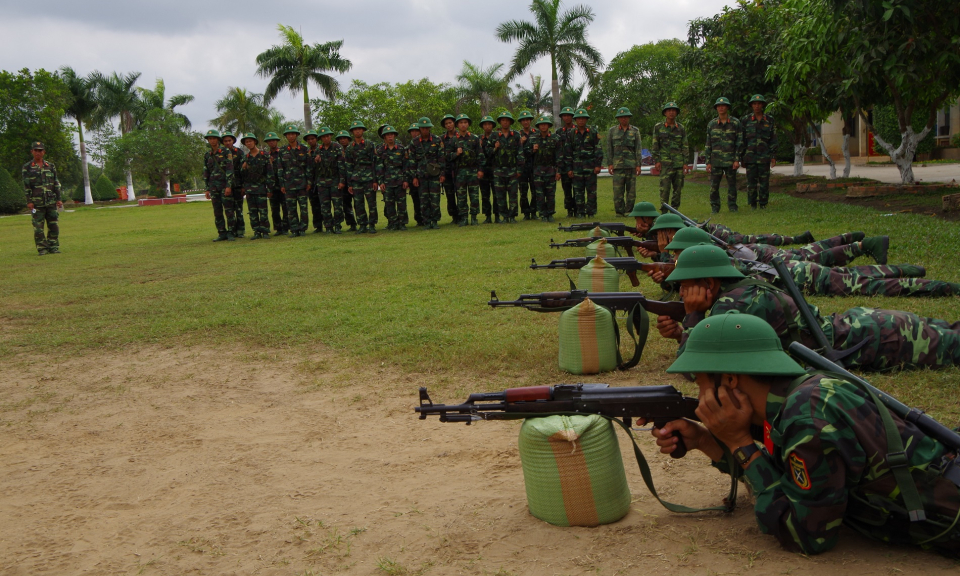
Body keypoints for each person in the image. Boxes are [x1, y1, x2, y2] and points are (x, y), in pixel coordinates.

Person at [651, 312, 960, 557]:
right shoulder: (798, 396)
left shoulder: (806, 418)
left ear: (730, 380)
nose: (701, 395)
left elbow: (807, 535)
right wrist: (706, 440)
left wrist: (739, 443)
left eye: (701, 384)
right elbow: (785, 481)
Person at [656, 244, 960, 371]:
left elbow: (693, 368)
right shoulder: (743, 289)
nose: (681, 293)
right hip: (867, 326)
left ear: (709, 284)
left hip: (881, 341)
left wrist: (693, 315)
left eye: (686, 286)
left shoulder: (733, 307)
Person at [665, 227, 960, 298]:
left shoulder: (721, 265)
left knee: (866, 285)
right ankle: (907, 270)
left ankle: (940, 286)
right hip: (793, 274)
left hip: (798, 276)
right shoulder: (719, 261)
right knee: (851, 275)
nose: (674, 257)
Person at [22, 141, 63, 255]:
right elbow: (26, 186)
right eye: (36, 150)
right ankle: (42, 248)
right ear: (32, 152)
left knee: (53, 225)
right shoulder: (27, 167)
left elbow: (56, 183)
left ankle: (53, 246)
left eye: (40, 150)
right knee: (38, 228)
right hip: (36, 203)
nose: (38, 152)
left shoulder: (50, 166)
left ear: (44, 152)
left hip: (51, 201)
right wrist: (29, 201)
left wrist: (59, 199)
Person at [705, 97, 743, 214]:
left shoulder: (735, 123)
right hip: (716, 161)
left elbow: (739, 142)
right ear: (716, 108)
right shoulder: (711, 124)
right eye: (719, 106)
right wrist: (708, 162)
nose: (721, 108)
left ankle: (732, 206)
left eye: (723, 106)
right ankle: (715, 207)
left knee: (732, 185)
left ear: (727, 107)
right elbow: (708, 144)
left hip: (730, 161)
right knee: (714, 186)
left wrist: (737, 160)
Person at [740, 94, 778, 209]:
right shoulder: (745, 120)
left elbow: (773, 139)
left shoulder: (769, 120)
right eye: (754, 104)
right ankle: (752, 204)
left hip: (764, 156)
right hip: (750, 156)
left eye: (759, 104)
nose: (757, 106)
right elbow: (742, 140)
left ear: (762, 105)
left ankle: (763, 203)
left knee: (764, 182)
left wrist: (773, 156)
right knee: (751, 182)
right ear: (751, 105)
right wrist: (742, 157)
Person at [651, 102, 690, 212]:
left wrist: (685, 162)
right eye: (669, 110)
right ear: (665, 113)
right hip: (665, 163)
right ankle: (664, 210)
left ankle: (675, 210)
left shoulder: (681, 128)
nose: (671, 112)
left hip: (678, 163)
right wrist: (657, 160)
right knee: (665, 188)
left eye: (673, 110)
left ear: (677, 113)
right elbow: (655, 145)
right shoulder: (658, 127)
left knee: (678, 189)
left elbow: (685, 145)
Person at [565, 108, 603, 217]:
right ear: (575, 120)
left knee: (591, 191)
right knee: (578, 191)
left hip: (590, 167)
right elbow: (568, 152)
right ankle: (580, 212)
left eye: (583, 118)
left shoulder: (593, 131)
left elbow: (598, 149)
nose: (581, 120)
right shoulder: (571, 133)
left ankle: (591, 212)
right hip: (576, 168)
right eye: (578, 119)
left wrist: (597, 165)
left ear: (586, 119)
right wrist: (569, 168)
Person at [448, 114, 485, 226]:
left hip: (473, 170)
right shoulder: (453, 140)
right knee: (461, 196)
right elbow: (448, 156)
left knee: (474, 195)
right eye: (461, 122)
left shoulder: (474, 138)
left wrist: (480, 170)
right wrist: (456, 154)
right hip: (460, 172)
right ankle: (463, 217)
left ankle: (474, 217)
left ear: (468, 124)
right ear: (457, 125)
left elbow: (480, 155)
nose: (463, 124)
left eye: (465, 122)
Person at [344, 120, 380, 234]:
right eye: (355, 130)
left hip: (369, 178)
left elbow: (375, 163)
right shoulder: (350, 147)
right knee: (358, 204)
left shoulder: (370, 144)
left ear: (363, 131)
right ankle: (363, 225)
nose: (357, 131)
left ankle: (372, 224)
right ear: (352, 132)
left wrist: (375, 180)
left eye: (359, 129)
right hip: (356, 180)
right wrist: (349, 184)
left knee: (372, 203)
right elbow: (349, 166)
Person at [604, 107, 642, 215]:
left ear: (629, 118)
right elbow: (609, 148)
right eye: (621, 117)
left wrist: (638, 165)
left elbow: (638, 149)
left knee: (631, 192)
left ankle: (629, 211)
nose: (623, 119)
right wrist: (610, 164)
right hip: (618, 165)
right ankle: (619, 212)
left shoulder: (635, 131)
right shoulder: (612, 131)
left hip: (631, 165)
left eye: (625, 117)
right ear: (618, 119)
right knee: (618, 191)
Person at [409, 117, 445, 229]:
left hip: (434, 174)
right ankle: (426, 221)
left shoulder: (437, 140)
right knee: (423, 200)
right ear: (419, 128)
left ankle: (435, 221)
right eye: (423, 128)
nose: (425, 130)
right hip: (421, 176)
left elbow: (442, 158)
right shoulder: (414, 142)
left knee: (435, 199)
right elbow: (412, 161)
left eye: (427, 128)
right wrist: (414, 177)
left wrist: (442, 174)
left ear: (429, 128)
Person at [201, 129, 236, 242]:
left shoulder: (226, 152)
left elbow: (230, 169)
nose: (212, 140)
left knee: (229, 210)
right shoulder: (207, 155)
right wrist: (207, 189)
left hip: (224, 185)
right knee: (217, 211)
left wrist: (228, 186)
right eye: (210, 139)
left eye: (214, 138)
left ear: (218, 139)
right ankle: (221, 233)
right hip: (213, 186)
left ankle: (231, 232)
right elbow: (206, 172)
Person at [238, 133, 274, 240]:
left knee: (263, 211)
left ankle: (265, 231)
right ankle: (257, 231)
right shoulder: (245, 157)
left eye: (250, 141)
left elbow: (270, 173)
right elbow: (241, 175)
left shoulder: (264, 155)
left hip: (261, 188)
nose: (248, 143)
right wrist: (243, 168)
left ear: (255, 142)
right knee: (252, 212)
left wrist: (270, 188)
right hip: (249, 189)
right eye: (246, 142)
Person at [277, 125, 311, 237]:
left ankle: (303, 229)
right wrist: (282, 184)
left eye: (293, 134)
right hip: (288, 184)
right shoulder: (282, 151)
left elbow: (308, 167)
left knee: (303, 208)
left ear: (296, 135)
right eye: (288, 134)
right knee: (291, 209)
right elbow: (280, 168)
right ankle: (294, 229)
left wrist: (309, 182)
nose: (291, 136)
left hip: (302, 183)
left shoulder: (304, 149)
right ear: (286, 136)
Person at [491, 111, 525, 223]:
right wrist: (495, 148)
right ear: (500, 122)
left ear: (510, 122)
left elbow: (520, 152)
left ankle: (512, 216)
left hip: (512, 170)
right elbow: (487, 153)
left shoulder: (515, 135)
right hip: (498, 170)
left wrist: (519, 169)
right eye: (503, 120)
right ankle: (504, 216)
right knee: (500, 195)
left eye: (507, 120)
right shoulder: (494, 135)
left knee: (513, 194)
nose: (505, 122)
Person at [529, 114, 563, 222]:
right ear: (538, 126)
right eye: (541, 125)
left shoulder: (555, 138)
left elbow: (559, 155)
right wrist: (532, 150)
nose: (543, 126)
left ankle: (550, 213)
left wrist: (559, 171)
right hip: (538, 170)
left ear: (548, 126)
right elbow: (525, 154)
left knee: (550, 194)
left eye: (545, 124)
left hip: (551, 170)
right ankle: (543, 214)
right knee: (539, 194)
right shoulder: (533, 138)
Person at [376, 125, 409, 231]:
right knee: (389, 204)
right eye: (387, 135)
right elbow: (379, 167)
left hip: (399, 181)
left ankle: (402, 223)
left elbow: (405, 166)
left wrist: (405, 180)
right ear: (384, 137)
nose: (390, 136)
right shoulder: (380, 150)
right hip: (387, 181)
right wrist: (381, 182)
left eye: (391, 134)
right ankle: (393, 223)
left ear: (394, 135)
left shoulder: (401, 149)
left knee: (402, 204)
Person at [313, 127, 345, 234]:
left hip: (335, 180)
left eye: (327, 136)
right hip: (322, 182)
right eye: (323, 137)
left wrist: (342, 181)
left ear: (330, 136)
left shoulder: (337, 147)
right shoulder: (318, 149)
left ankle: (337, 225)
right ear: (321, 138)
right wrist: (316, 160)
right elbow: (314, 166)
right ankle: (328, 226)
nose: (326, 138)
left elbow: (341, 166)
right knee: (324, 206)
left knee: (337, 205)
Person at [221, 131, 246, 238]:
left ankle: (240, 230)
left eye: (229, 140)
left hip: (237, 185)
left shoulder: (239, 153)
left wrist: (244, 186)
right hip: (225, 185)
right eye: (225, 141)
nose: (227, 143)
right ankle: (231, 230)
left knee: (239, 209)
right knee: (229, 210)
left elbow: (244, 171)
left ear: (233, 141)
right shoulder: (219, 153)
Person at [263, 132, 289, 236]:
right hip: (272, 186)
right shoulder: (266, 155)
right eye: (269, 141)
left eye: (273, 140)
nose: (271, 142)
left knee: (286, 207)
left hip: (283, 184)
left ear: (277, 141)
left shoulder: (283, 152)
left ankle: (286, 228)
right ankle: (278, 228)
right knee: (274, 209)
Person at [439, 114, 461, 225]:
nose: (448, 125)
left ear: (454, 123)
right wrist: (455, 154)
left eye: (450, 122)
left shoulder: (461, 136)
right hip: (447, 171)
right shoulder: (441, 139)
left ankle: (462, 216)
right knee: (450, 195)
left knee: (461, 194)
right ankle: (454, 216)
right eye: (446, 123)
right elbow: (442, 155)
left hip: (460, 170)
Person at [335, 130, 358, 232]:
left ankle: (362, 223)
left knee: (358, 203)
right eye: (340, 139)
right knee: (346, 204)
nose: (342, 140)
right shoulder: (337, 152)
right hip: (342, 182)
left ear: (348, 139)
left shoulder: (353, 149)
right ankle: (352, 224)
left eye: (344, 138)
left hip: (354, 180)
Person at [556, 106, 577, 217]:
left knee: (578, 189)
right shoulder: (559, 132)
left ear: (572, 117)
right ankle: (569, 210)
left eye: (569, 115)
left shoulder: (578, 129)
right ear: (562, 117)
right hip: (564, 165)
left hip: (577, 164)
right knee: (567, 190)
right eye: (564, 116)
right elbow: (557, 150)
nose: (567, 117)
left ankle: (578, 210)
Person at [478, 115, 499, 224]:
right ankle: (488, 216)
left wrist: (495, 149)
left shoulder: (497, 137)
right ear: (482, 126)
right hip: (484, 170)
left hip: (495, 169)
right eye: (485, 124)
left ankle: (497, 215)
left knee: (496, 194)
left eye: (489, 124)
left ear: (492, 125)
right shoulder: (479, 139)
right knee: (485, 195)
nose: (487, 126)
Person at [516, 110, 537, 220]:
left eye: (527, 120)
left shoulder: (536, 133)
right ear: (521, 122)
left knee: (535, 190)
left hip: (534, 166)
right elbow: (514, 151)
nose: (526, 122)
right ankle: (526, 213)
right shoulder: (517, 135)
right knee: (523, 191)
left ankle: (533, 212)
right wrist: (521, 142)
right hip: (522, 167)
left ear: (530, 121)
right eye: (523, 120)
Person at [303, 129, 324, 232]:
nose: (310, 141)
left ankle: (329, 224)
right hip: (311, 182)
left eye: (312, 139)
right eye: (308, 139)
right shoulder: (307, 152)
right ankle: (318, 226)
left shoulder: (322, 149)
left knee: (324, 204)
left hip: (322, 180)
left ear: (316, 139)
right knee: (314, 205)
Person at [406, 124, 424, 227]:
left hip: (422, 175)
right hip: (411, 178)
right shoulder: (407, 147)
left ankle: (427, 217)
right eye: (412, 131)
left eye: (416, 131)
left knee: (425, 199)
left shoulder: (423, 144)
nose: (414, 133)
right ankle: (419, 219)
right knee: (416, 199)